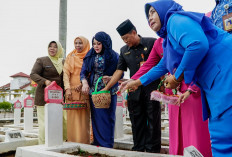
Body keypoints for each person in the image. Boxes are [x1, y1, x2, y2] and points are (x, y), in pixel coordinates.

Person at [123, 0, 232, 156]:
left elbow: (197, 45)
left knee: (224, 138)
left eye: (153, 12)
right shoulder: (169, 41)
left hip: (225, 72)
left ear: (163, 10)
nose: (150, 18)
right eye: (147, 15)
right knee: (221, 137)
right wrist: (137, 82)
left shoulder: (175, 19)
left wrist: (177, 76)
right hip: (216, 81)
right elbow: (160, 67)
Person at [121, 38, 212, 156]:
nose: (151, 19)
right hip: (172, 92)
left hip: (192, 90)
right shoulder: (161, 43)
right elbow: (153, 65)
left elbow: (201, 62)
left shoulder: (186, 36)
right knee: (175, 132)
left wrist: (192, 89)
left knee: (194, 133)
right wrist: (134, 80)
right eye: (148, 18)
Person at [101, 19, 161, 153]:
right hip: (134, 90)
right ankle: (138, 150)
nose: (125, 41)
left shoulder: (151, 43)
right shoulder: (124, 50)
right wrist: (107, 87)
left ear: (134, 32)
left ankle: (153, 151)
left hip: (151, 89)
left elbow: (160, 65)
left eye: (126, 38)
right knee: (136, 122)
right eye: (122, 39)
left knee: (153, 121)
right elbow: (119, 71)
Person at [80, 31, 119, 148]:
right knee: (96, 118)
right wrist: (85, 83)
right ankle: (98, 143)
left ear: (105, 43)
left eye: (99, 43)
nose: (95, 46)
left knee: (108, 118)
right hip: (95, 92)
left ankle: (107, 144)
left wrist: (112, 77)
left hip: (110, 91)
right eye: (94, 44)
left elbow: (120, 73)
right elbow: (83, 72)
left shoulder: (114, 56)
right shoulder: (90, 56)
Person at [30, 41, 67, 144]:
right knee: (44, 124)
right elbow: (33, 74)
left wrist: (65, 95)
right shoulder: (42, 60)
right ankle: (42, 146)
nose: (52, 48)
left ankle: (61, 143)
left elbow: (65, 79)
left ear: (59, 49)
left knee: (62, 121)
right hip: (43, 96)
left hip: (58, 97)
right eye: (50, 46)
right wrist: (45, 81)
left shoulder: (64, 62)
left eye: (55, 47)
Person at [63, 36, 90, 144]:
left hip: (84, 90)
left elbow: (91, 72)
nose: (78, 45)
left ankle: (84, 142)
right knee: (72, 119)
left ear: (85, 44)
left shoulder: (89, 56)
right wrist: (67, 89)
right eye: (76, 43)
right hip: (72, 91)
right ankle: (72, 142)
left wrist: (84, 83)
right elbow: (65, 74)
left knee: (84, 119)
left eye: (80, 43)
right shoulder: (70, 56)